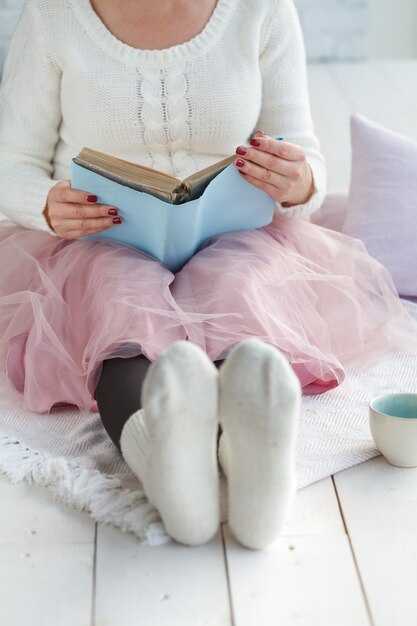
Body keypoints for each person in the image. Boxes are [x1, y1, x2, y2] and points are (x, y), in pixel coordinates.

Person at [0, 0, 416, 551]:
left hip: (234, 231)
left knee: (241, 295)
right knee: (120, 308)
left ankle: (248, 468)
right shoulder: (53, 15)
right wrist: (46, 205)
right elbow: (12, 163)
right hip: (101, 240)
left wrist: (296, 181)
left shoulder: (262, 11)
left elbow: (307, 161)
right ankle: (171, 476)